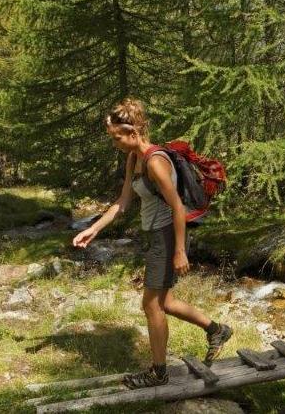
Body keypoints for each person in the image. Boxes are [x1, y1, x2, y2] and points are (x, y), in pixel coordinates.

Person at [72, 99, 233, 389]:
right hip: (155, 234)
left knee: (151, 304)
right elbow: (123, 203)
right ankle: (217, 329)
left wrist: (180, 251)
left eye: (116, 137)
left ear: (133, 132)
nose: (115, 143)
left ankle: (158, 372)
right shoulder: (133, 158)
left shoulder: (155, 162)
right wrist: (92, 228)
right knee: (165, 302)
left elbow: (177, 207)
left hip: (166, 234)